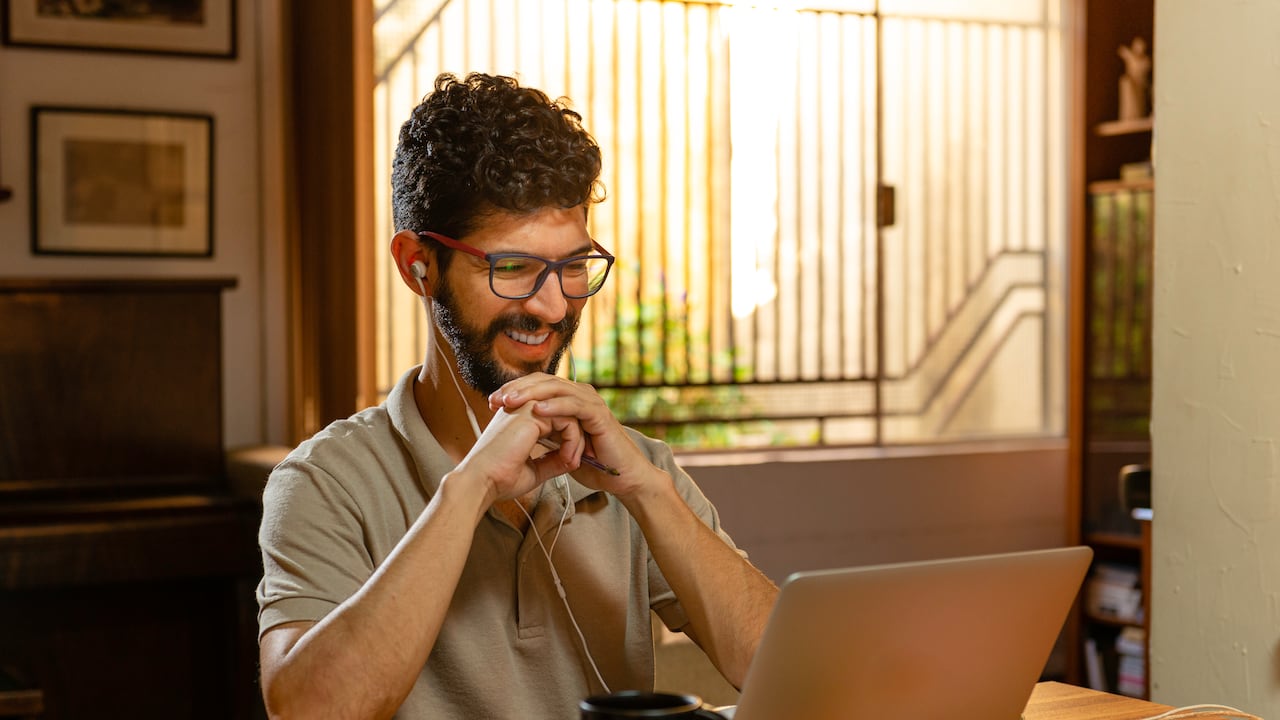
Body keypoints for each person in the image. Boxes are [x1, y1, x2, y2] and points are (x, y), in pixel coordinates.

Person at [256, 72, 779, 720]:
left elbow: (784, 670)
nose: (553, 305)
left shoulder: (634, 472)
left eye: (574, 265)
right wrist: (470, 486)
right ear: (417, 262)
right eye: (512, 268)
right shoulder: (325, 483)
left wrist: (647, 491)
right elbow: (308, 710)